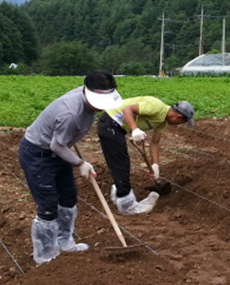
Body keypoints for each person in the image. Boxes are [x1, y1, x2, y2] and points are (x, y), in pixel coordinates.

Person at [19, 71, 123, 264]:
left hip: (60, 151)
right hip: (38, 154)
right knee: (48, 205)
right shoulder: (70, 113)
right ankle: (46, 255)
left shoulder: (85, 99)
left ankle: (65, 242)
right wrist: (80, 163)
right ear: (87, 94)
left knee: (68, 198)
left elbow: (62, 144)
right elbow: (56, 145)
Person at [97, 97, 194, 214]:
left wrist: (155, 165)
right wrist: (135, 129)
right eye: (182, 123)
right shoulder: (156, 107)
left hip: (117, 128)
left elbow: (155, 143)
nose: (179, 125)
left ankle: (118, 194)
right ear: (178, 117)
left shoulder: (162, 122)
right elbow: (127, 110)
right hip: (110, 122)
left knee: (120, 163)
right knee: (120, 163)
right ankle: (127, 206)